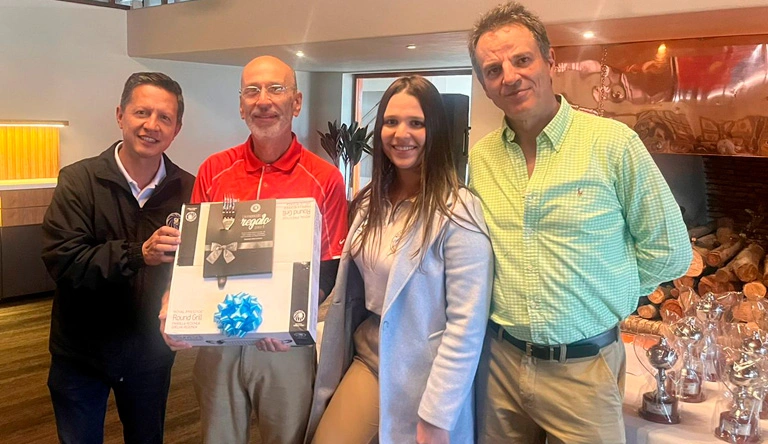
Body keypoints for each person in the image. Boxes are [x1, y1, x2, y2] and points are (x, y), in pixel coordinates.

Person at [467, 3, 693, 443]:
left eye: (522, 59)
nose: (510, 76)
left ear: (549, 62)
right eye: (493, 70)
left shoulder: (613, 145)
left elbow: (670, 250)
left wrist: (608, 292)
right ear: (485, 84)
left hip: (585, 371)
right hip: (499, 368)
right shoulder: (482, 158)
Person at [159, 55, 348, 444]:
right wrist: (173, 305)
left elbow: (328, 266)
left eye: (276, 89)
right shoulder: (213, 170)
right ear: (241, 105)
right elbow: (191, 258)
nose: (263, 100)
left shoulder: (324, 177)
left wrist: (283, 320)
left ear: (296, 102)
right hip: (218, 338)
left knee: (287, 436)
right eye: (252, 91)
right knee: (218, 437)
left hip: (283, 347)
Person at [306, 75, 493, 444]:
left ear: (434, 130)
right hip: (370, 355)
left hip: (426, 369)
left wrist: (439, 414)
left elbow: (466, 324)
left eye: (416, 123)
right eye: (391, 122)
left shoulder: (458, 210)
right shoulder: (370, 201)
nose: (400, 134)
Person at [41, 72, 195, 444]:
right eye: (142, 112)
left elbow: (193, 269)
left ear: (176, 129)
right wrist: (138, 253)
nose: (152, 125)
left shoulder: (188, 189)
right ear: (120, 115)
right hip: (81, 353)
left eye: (164, 117)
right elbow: (64, 259)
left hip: (150, 355)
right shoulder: (79, 181)